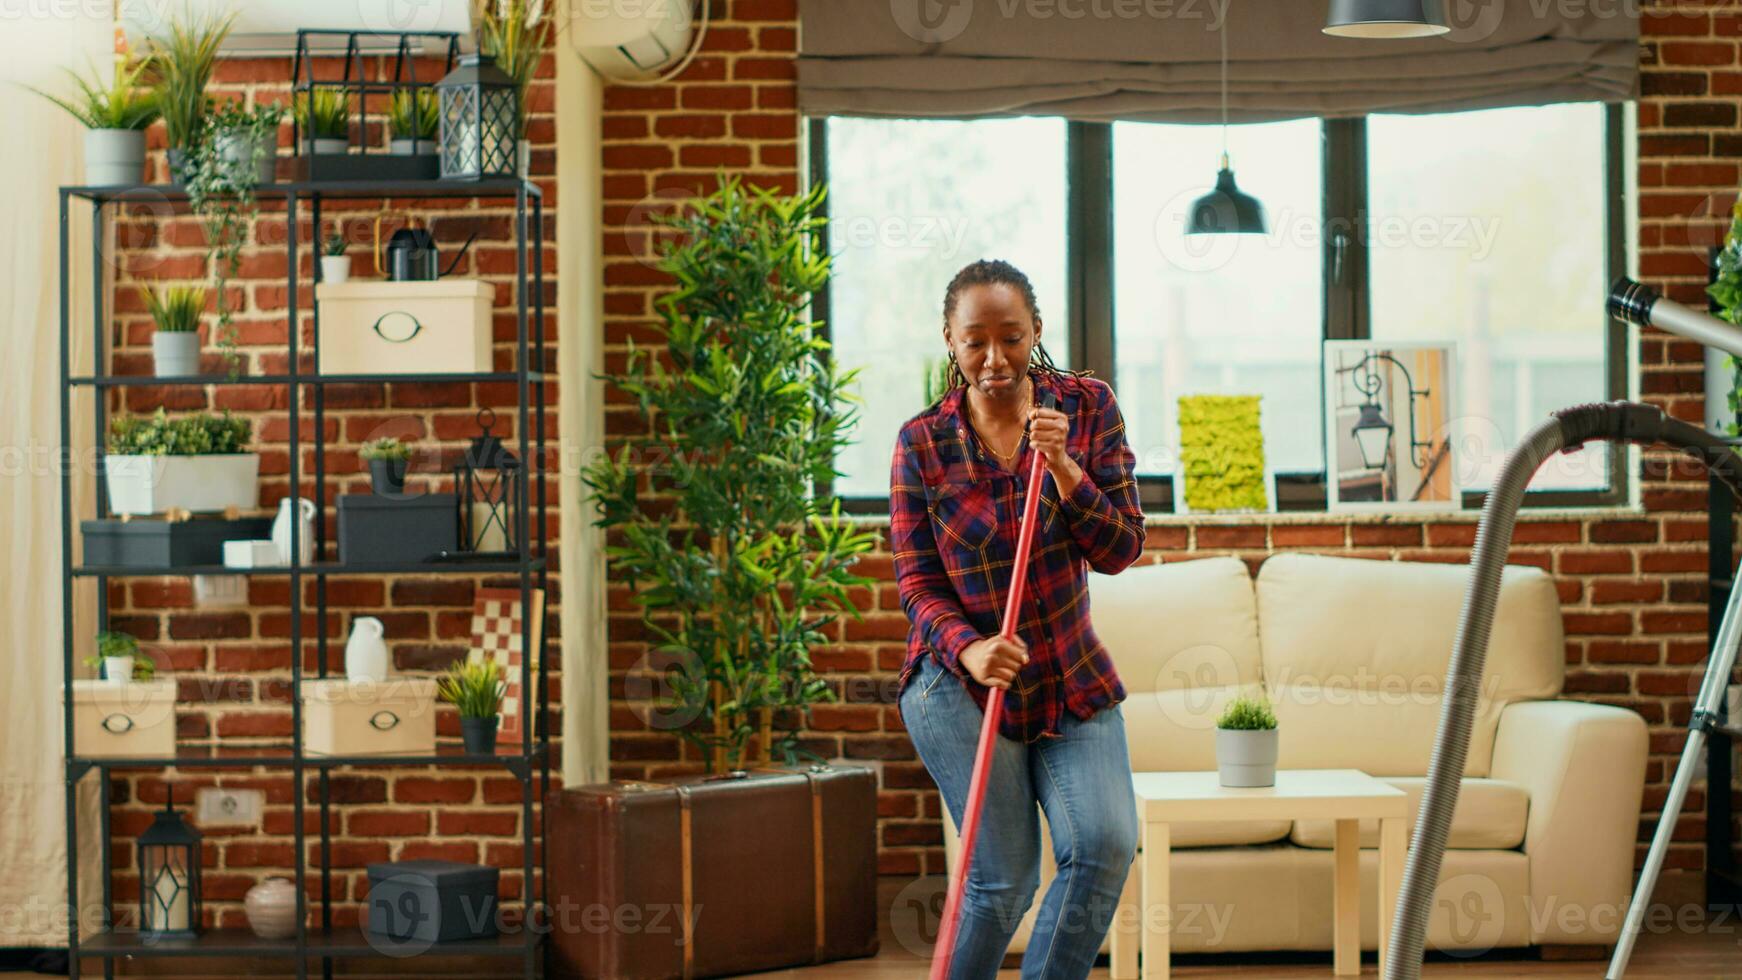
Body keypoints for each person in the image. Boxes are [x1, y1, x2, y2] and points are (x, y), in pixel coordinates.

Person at [890, 258, 1146, 979]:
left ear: (1036, 331)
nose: (995, 359)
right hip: (956, 683)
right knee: (1003, 882)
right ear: (950, 340)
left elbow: (1121, 547)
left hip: (1068, 674)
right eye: (976, 341)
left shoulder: (1087, 408)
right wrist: (969, 648)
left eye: (1011, 337)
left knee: (1103, 845)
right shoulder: (923, 443)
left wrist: (1065, 468)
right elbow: (915, 579)